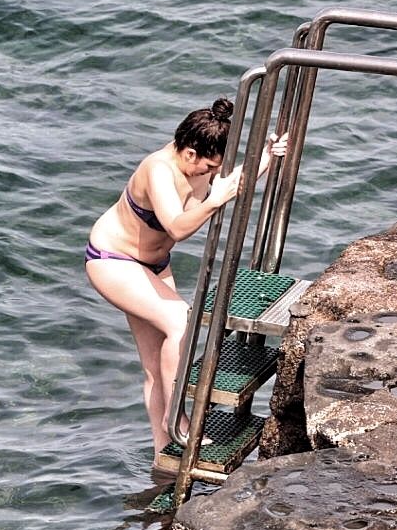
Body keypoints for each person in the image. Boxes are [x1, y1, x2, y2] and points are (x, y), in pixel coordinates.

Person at [84, 99, 286, 452]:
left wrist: (267, 157)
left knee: (154, 365)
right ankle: (176, 417)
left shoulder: (200, 164)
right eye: (207, 166)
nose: (209, 173)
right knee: (181, 320)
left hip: (154, 266)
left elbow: (230, 182)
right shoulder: (158, 169)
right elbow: (176, 227)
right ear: (189, 152)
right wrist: (213, 202)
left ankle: (163, 452)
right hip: (113, 260)